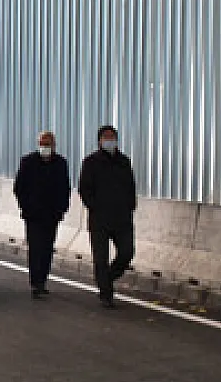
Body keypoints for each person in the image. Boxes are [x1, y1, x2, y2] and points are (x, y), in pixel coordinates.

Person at [78, 125, 137, 308]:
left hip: (122, 218)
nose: (109, 140)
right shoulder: (91, 162)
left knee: (127, 252)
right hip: (100, 219)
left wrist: (130, 205)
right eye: (106, 137)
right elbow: (84, 189)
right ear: (99, 140)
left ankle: (108, 278)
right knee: (100, 258)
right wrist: (94, 207)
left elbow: (131, 186)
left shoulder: (124, 161)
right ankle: (106, 293)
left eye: (112, 137)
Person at [14, 131, 71, 299]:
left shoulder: (60, 163)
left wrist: (62, 208)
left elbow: (65, 187)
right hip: (33, 214)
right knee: (35, 247)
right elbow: (19, 187)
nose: (45, 147)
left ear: (54, 145)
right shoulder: (28, 162)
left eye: (48, 144)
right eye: (42, 144)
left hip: (52, 213)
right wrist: (26, 206)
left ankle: (43, 279)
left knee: (47, 247)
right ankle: (35, 281)